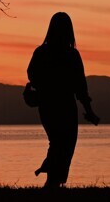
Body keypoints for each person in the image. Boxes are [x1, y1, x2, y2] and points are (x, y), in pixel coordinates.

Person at [26, 11, 100, 188]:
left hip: (47, 106)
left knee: (58, 143)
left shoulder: (42, 52)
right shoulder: (71, 55)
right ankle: (53, 181)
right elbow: (80, 87)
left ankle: (53, 181)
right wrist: (89, 111)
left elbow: (32, 75)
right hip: (64, 106)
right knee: (63, 145)